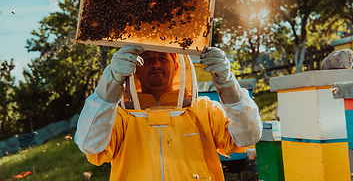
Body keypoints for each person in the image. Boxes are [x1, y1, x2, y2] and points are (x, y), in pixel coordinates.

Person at [75, 45, 262, 181]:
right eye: (146, 59)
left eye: (163, 57)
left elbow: (247, 136)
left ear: (177, 66)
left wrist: (229, 84)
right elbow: (90, 145)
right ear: (134, 70)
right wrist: (110, 83)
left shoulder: (204, 110)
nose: (156, 63)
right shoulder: (121, 117)